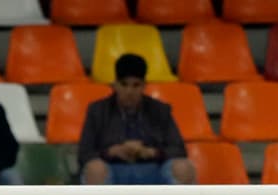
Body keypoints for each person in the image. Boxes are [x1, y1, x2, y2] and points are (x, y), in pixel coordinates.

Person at [79, 54, 195, 186]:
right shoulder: (97, 110)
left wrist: (152, 152)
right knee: (95, 169)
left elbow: (179, 150)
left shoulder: (160, 110)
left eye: (136, 85)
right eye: (124, 84)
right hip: (113, 169)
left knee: (183, 167)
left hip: (154, 170)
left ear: (144, 86)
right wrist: (112, 152)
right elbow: (84, 154)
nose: (129, 91)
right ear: (115, 84)